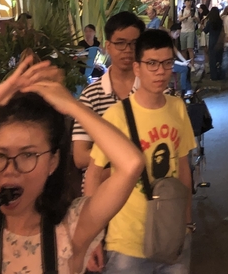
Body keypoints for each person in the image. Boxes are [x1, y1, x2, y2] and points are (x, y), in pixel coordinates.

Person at [0, 54, 144, 274]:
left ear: (53, 162)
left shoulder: (72, 228)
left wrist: (72, 106)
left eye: (28, 156)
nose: (10, 170)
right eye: (0, 156)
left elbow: (131, 164)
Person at [85, 29, 196, 274]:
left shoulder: (177, 107)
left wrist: (186, 223)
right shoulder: (116, 116)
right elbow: (93, 174)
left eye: (167, 63)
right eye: (152, 64)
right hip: (127, 244)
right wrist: (92, 236)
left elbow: (184, 169)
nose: (160, 71)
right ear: (137, 68)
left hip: (171, 235)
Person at [73, 11, 146, 172]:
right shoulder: (91, 96)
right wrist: (131, 155)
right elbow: (80, 156)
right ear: (108, 46)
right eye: (120, 43)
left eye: (134, 43)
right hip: (101, 191)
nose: (127, 49)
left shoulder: (155, 92)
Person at [205, 6, 225, 81]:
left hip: (212, 41)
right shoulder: (221, 21)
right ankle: (221, 75)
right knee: (219, 59)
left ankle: (214, 76)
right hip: (220, 41)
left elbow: (205, 31)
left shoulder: (210, 22)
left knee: (212, 60)